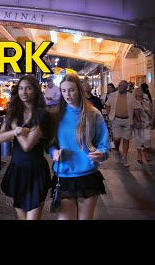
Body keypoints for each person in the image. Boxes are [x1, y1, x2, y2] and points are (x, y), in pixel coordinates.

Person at [47, 73, 110, 220]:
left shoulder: (93, 114)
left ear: (79, 90)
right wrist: (53, 152)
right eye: (63, 91)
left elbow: (104, 144)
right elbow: (50, 144)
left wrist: (100, 153)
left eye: (71, 90)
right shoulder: (56, 115)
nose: (67, 95)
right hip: (63, 176)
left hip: (87, 176)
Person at [0, 74, 53, 220]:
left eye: (28, 88)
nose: (24, 92)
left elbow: (27, 146)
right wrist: (15, 131)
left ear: (36, 91)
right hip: (17, 169)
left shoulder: (42, 114)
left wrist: (15, 126)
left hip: (36, 170)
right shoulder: (14, 114)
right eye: (21, 88)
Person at [104, 80, 140, 167]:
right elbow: (107, 105)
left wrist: (138, 120)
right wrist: (109, 115)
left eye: (123, 86)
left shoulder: (131, 96)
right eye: (119, 85)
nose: (121, 87)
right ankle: (116, 150)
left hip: (128, 120)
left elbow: (136, 108)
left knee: (126, 139)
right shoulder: (113, 95)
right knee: (116, 138)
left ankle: (124, 157)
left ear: (126, 87)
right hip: (116, 119)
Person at [133, 87, 154, 163]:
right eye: (138, 90)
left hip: (147, 122)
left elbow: (151, 110)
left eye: (141, 90)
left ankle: (146, 152)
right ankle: (139, 154)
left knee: (147, 138)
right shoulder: (133, 102)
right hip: (138, 123)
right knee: (139, 139)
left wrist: (152, 119)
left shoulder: (147, 100)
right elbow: (131, 113)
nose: (140, 92)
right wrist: (135, 122)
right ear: (135, 92)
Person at [99, 83, 116, 149]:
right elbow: (102, 104)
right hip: (105, 114)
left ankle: (113, 142)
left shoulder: (115, 95)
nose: (108, 88)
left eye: (110, 87)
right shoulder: (105, 95)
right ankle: (110, 142)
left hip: (114, 114)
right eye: (108, 87)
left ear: (113, 88)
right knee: (108, 128)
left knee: (113, 129)